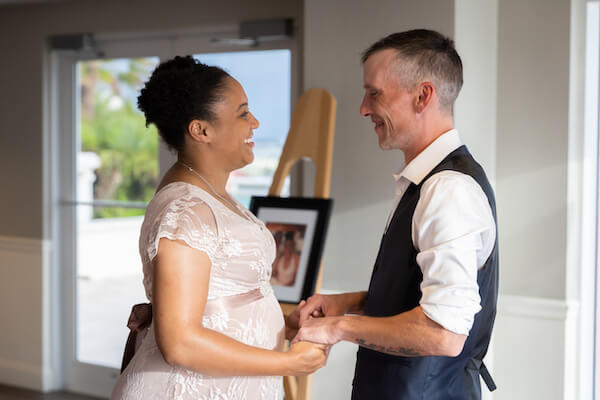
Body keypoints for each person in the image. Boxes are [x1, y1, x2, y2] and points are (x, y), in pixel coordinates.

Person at [292, 29, 499, 399]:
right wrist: (353, 302)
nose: (363, 108)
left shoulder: (447, 190)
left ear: (423, 96)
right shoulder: (426, 183)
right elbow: (420, 290)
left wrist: (339, 327)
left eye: (375, 93)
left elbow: (443, 332)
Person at [111, 56, 326, 400]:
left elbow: (219, 301)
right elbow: (179, 343)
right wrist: (288, 364)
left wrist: (282, 325)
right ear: (201, 130)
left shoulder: (210, 195)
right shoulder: (186, 210)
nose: (254, 122)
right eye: (242, 113)